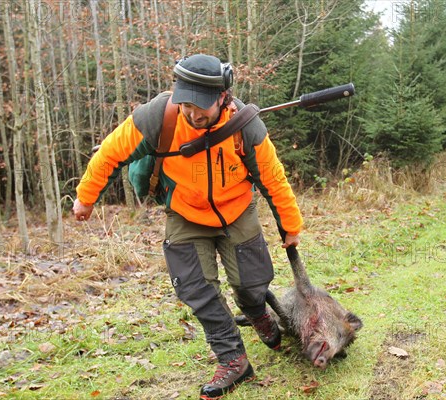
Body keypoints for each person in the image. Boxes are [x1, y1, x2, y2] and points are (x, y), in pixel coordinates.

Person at [73, 54, 303, 399]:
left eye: (202, 107)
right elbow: (110, 152)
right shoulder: (158, 117)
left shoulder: (246, 125)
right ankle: (234, 360)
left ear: (223, 98)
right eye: (186, 104)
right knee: (197, 289)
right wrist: (86, 197)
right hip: (184, 213)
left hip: (237, 209)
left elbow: (272, 178)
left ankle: (256, 311)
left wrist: (290, 224)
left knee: (251, 282)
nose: (193, 114)